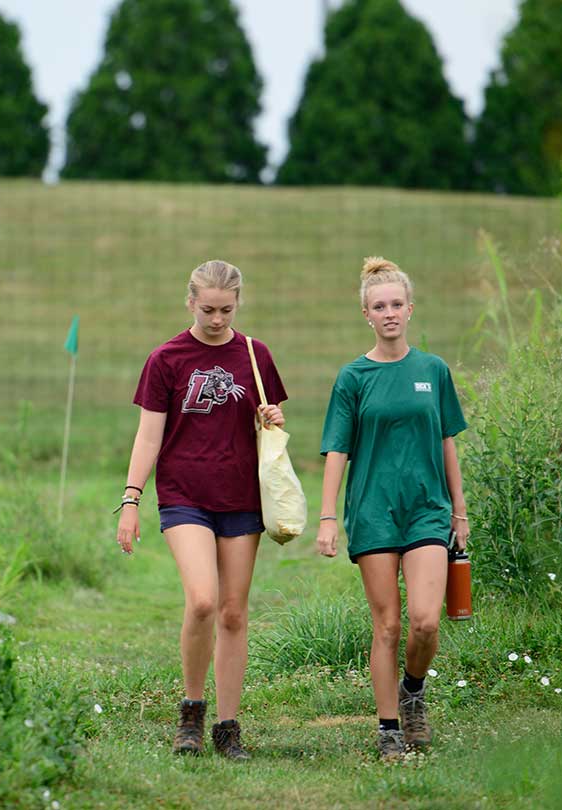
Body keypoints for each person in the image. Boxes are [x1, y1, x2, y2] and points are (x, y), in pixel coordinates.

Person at [114, 259, 287, 761]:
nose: (216, 319)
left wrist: (272, 416)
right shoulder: (166, 359)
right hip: (184, 494)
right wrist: (131, 498)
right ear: (190, 302)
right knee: (204, 602)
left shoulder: (255, 354)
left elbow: (270, 423)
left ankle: (228, 727)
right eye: (208, 309)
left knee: (234, 612)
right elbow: (149, 435)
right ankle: (191, 711)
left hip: (241, 497)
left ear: (238, 303)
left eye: (226, 310)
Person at [315, 257, 470, 762]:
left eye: (396, 304)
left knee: (426, 621)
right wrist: (327, 518)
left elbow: (448, 441)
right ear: (366, 313)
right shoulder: (353, 377)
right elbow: (336, 451)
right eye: (379, 306)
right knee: (387, 625)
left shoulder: (433, 370)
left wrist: (459, 511)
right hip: (374, 513)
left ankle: (414, 690)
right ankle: (387, 731)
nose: (389, 313)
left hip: (428, 509)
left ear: (410, 309)